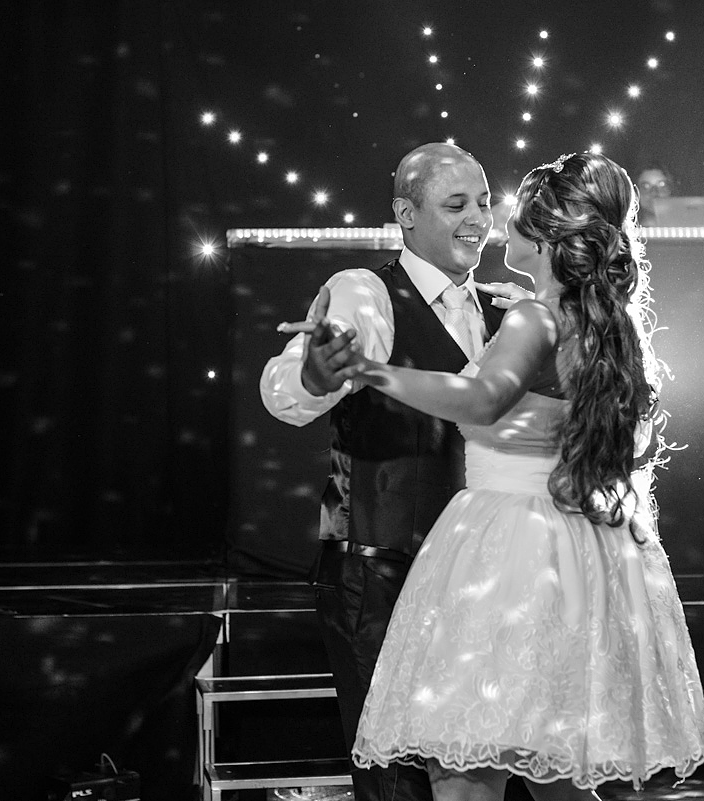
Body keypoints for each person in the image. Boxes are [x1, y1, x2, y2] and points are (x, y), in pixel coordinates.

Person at [331, 152, 704, 800]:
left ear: (542, 237)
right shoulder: (600, 322)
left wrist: (368, 371)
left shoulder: (534, 320)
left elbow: (482, 400)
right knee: (555, 772)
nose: (492, 222)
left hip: (508, 553)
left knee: (463, 771)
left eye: (505, 211)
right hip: (573, 553)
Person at [259, 142, 529, 801]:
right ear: (406, 214)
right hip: (381, 575)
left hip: (484, 578)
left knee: (484, 769)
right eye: (456, 204)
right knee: (399, 779)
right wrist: (317, 372)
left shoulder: (506, 308)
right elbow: (287, 389)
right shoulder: (367, 292)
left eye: (484, 202)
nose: (479, 219)